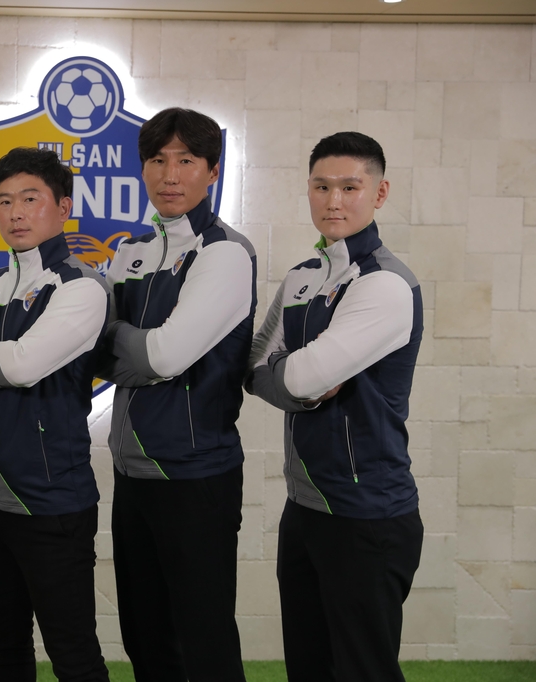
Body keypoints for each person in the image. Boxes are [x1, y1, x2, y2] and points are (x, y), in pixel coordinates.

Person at [246, 131, 424, 682]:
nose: (334, 201)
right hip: (305, 507)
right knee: (308, 668)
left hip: (367, 513)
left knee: (363, 671)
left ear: (379, 192)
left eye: (350, 186)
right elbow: (255, 365)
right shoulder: (302, 277)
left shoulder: (386, 284)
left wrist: (295, 374)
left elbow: (303, 375)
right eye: (321, 187)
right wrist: (297, 376)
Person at [0, 147, 111, 682]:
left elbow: (23, 366)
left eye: (30, 199)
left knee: (74, 657)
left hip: (54, 504)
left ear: (63, 207)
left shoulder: (81, 286)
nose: (15, 213)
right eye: (4, 201)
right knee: (4, 651)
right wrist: (5, 363)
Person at [98, 107, 254, 682]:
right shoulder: (131, 251)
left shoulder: (225, 252)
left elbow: (165, 356)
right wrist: (135, 349)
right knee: (146, 640)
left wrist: (123, 342)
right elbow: (95, 352)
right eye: (158, 160)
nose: (170, 174)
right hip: (133, 473)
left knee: (203, 645)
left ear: (211, 172)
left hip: (196, 476)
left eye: (186, 160)